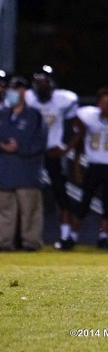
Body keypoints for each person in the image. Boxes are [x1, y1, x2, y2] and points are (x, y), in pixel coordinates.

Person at [24, 65, 80, 250]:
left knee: (60, 195)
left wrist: (65, 148)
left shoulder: (64, 100)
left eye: (44, 82)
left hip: (51, 153)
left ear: (52, 83)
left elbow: (79, 128)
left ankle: (66, 237)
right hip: (31, 154)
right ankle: (22, 237)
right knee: (26, 195)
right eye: (38, 82)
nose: (41, 86)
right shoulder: (27, 98)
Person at [69, 87, 108, 249]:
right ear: (98, 103)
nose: (106, 105)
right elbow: (78, 131)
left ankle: (103, 237)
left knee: (107, 205)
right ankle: (72, 237)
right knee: (84, 203)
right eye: (103, 102)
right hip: (94, 165)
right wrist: (77, 165)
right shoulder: (88, 116)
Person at [0, 76, 47, 251]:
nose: (11, 93)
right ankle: (4, 242)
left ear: (23, 92)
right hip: (4, 172)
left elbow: (40, 143)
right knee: (4, 212)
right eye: (9, 89)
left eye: (15, 89)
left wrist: (19, 148)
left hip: (28, 172)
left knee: (30, 212)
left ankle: (31, 243)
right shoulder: (3, 115)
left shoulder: (35, 116)